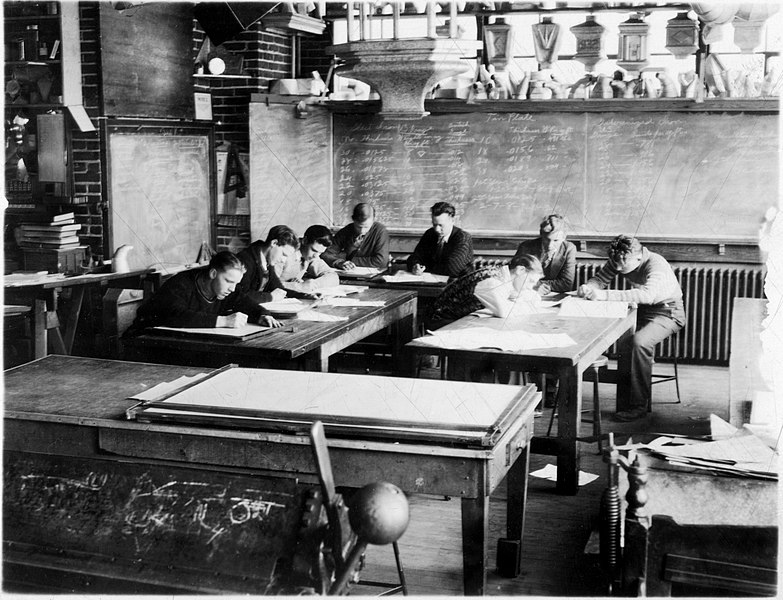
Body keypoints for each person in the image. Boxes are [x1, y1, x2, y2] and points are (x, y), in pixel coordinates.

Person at [578, 235, 685, 422]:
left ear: (638, 257)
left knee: (638, 342)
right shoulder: (621, 258)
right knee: (622, 337)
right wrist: (588, 287)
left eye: (622, 266)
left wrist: (602, 295)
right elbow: (600, 279)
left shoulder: (656, 263)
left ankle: (638, 406)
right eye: (615, 264)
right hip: (643, 310)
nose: (617, 269)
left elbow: (647, 296)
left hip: (668, 312)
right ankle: (625, 400)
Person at [126, 251, 283, 332]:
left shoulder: (227, 289)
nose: (232, 288)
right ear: (213, 274)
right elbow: (174, 315)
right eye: (229, 281)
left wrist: (263, 315)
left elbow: (244, 302)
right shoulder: (181, 284)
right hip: (144, 340)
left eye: (236, 283)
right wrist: (223, 321)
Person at [425, 254, 543, 330]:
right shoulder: (492, 281)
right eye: (531, 281)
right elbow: (504, 312)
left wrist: (528, 299)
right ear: (520, 270)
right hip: (441, 320)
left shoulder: (502, 278)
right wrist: (527, 304)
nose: (530, 287)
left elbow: (527, 297)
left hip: (459, 318)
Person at [511, 214, 576, 294]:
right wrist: (534, 286)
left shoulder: (569, 249)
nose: (550, 245)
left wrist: (538, 285)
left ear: (564, 238)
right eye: (547, 239)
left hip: (552, 296)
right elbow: (513, 276)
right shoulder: (526, 246)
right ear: (541, 234)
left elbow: (567, 283)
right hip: (526, 293)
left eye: (556, 240)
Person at [407, 202, 474, 279]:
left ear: (452, 220)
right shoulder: (430, 234)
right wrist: (415, 266)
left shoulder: (463, 238)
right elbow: (413, 257)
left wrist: (427, 266)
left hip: (457, 286)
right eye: (434, 224)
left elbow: (453, 269)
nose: (437, 229)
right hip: (432, 283)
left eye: (441, 225)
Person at [235, 225, 299, 303]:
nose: (283, 260)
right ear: (274, 243)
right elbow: (240, 295)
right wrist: (270, 297)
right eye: (283, 254)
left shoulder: (268, 261)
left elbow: (279, 289)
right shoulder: (245, 259)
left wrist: (307, 296)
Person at [321, 203, 389, 270]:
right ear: (353, 220)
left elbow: (381, 262)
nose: (362, 231)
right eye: (358, 227)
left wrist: (348, 259)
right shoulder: (346, 230)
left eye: (366, 227)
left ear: (373, 220)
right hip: (348, 274)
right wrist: (339, 262)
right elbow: (326, 254)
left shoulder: (381, 231)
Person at [279, 224, 339, 293]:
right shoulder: (285, 253)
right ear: (305, 241)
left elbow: (333, 277)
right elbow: (267, 285)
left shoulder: (311, 256)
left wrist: (314, 284)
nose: (316, 256)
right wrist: (298, 286)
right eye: (314, 250)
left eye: (320, 253)